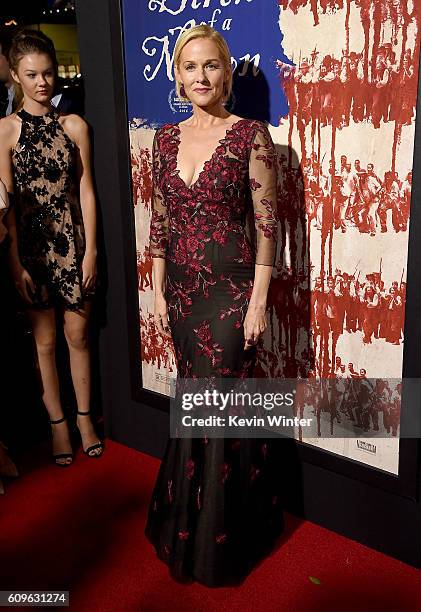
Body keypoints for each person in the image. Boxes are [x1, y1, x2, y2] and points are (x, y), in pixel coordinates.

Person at [144, 25, 283, 587]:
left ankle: (222, 541)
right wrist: (155, 283)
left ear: (226, 73)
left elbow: (269, 227)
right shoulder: (164, 139)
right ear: (177, 77)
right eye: (189, 67)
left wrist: (257, 304)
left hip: (229, 293)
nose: (200, 77)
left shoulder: (251, 135)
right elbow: (159, 215)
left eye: (210, 66)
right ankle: (187, 523)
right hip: (180, 291)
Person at [0, 30, 103, 466]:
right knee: (44, 343)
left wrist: (92, 250)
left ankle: (84, 421)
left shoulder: (74, 125)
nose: (43, 82)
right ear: (16, 75)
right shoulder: (4, 130)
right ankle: (57, 426)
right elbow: (4, 207)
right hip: (33, 250)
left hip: (73, 244)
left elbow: (87, 192)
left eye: (48, 73)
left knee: (77, 336)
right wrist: (15, 262)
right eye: (32, 74)